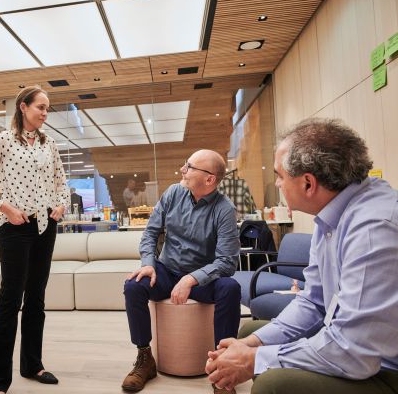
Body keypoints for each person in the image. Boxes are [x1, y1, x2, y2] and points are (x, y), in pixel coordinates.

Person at [205, 118, 398, 394]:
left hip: (384, 366)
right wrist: (252, 346)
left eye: (280, 176)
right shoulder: (333, 214)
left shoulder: (373, 229)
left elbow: (353, 352)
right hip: (359, 349)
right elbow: (313, 301)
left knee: (272, 384)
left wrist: (254, 360)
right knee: (250, 334)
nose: (277, 184)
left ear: (308, 183)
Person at [0, 86, 70, 394]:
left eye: (47, 108)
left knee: (36, 298)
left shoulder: (49, 144)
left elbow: (61, 182)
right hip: (15, 228)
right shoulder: (3, 140)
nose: (45, 113)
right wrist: (4, 207)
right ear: (23, 107)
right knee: (10, 301)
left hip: (45, 227)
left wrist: (61, 205)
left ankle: (32, 364)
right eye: (41, 107)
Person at [122, 149, 241, 393]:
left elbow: (227, 261)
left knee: (231, 288)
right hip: (167, 270)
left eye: (190, 167)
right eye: (185, 164)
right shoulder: (173, 193)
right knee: (133, 286)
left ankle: (223, 366)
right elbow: (150, 233)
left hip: (202, 278)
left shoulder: (224, 209)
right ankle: (145, 358)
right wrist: (148, 263)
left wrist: (191, 279)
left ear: (209, 179)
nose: (182, 170)